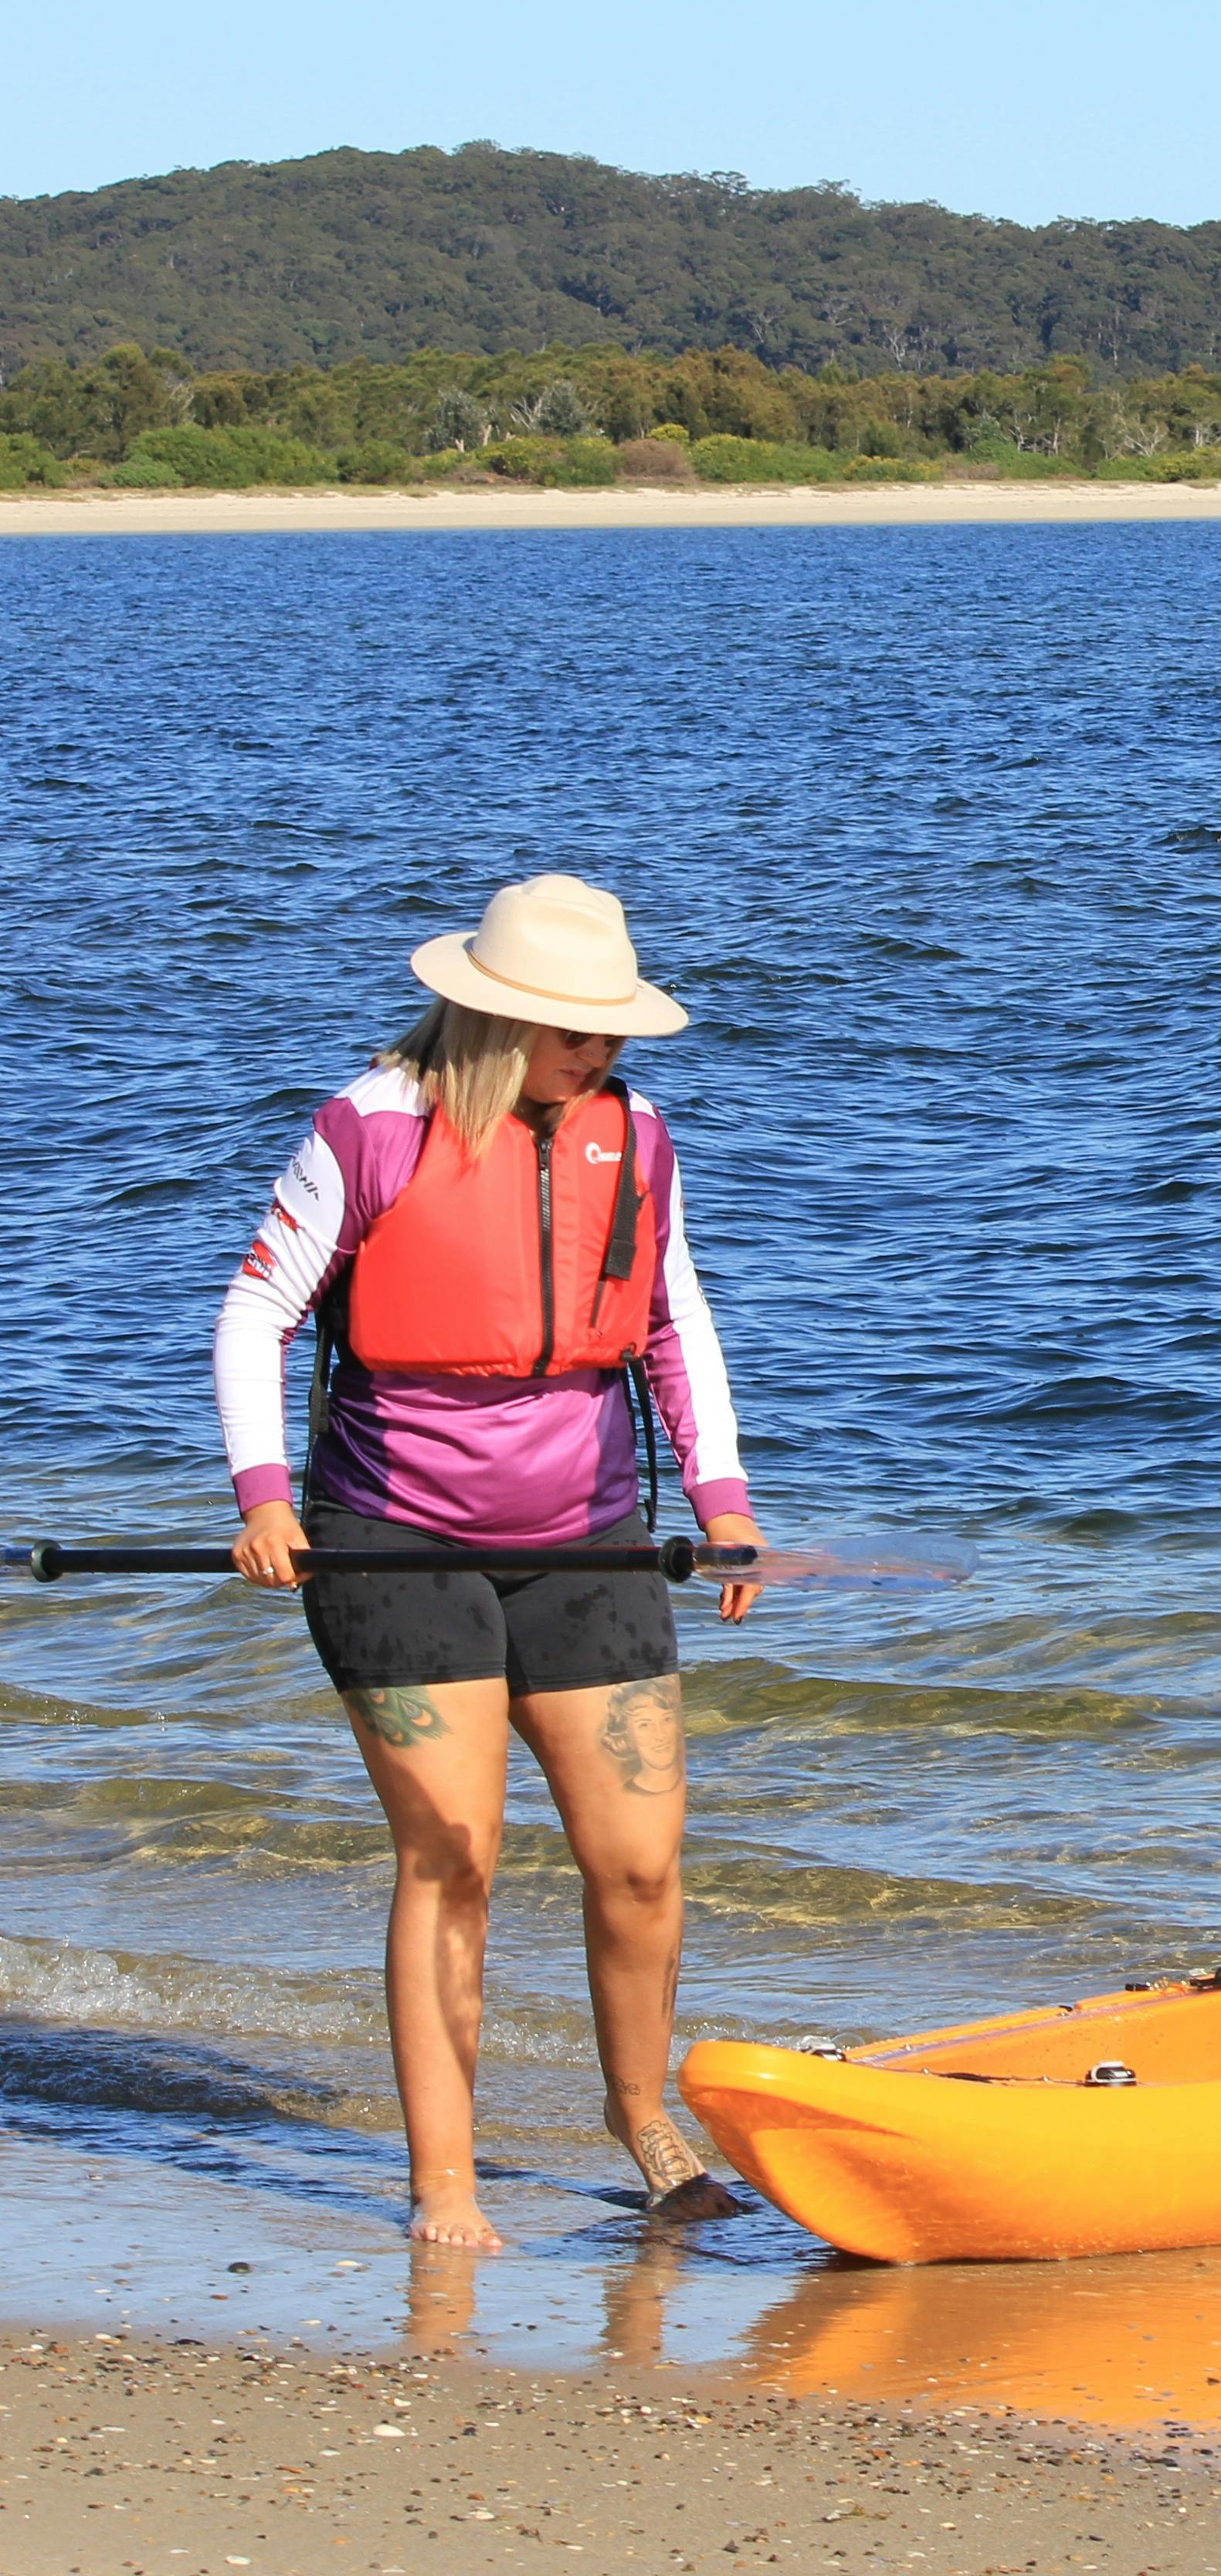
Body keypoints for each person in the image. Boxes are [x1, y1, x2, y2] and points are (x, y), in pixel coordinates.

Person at [213, 874, 764, 2252]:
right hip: (391, 1537)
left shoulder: (633, 1133)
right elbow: (256, 1311)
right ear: (492, 1015)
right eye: (575, 1030)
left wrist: (724, 1496)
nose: (603, 1051)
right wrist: (266, 1493)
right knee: (451, 1853)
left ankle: (639, 2122)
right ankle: (445, 2182)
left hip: (585, 1529)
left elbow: (671, 1319)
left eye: (610, 1029)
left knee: (639, 1860)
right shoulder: (371, 1129)